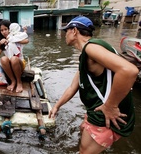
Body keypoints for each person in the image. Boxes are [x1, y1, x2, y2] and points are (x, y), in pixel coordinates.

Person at [48, 16, 139, 154]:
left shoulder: (91, 48)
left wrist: (111, 105)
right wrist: (56, 106)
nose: (64, 34)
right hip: (96, 110)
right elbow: (73, 86)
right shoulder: (88, 53)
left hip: (106, 114)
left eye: (66, 31)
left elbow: (129, 71)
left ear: (74, 31)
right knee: (82, 132)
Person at [0, 20, 29, 93]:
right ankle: (13, 81)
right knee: (3, 59)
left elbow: (26, 41)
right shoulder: (2, 40)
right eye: (1, 30)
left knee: (14, 59)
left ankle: (19, 82)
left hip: (19, 63)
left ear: (10, 29)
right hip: (10, 66)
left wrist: (13, 40)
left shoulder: (16, 37)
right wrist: (0, 43)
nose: (4, 32)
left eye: (5, 29)